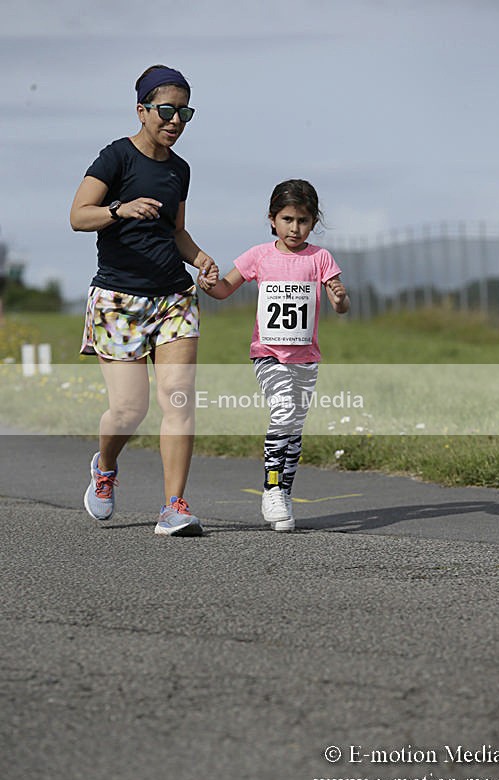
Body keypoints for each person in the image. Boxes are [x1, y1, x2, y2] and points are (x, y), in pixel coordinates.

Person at [70, 64, 218, 536]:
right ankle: (106, 466)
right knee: (129, 410)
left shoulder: (180, 170)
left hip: (173, 296)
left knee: (178, 398)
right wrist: (119, 209)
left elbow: (175, 233)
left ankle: (174, 506)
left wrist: (201, 260)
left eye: (185, 113)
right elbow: (78, 216)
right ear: (143, 110)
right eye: (167, 111)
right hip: (118, 299)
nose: (175, 121)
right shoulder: (116, 158)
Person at [203, 179, 350, 530]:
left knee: (294, 426)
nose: (294, 228)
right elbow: (225, 289)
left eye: (302, 221)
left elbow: (340, 305)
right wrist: (208, 284)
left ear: (313, 222)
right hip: (268, 353)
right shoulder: (259, 256)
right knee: (283, 410)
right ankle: (270, 486)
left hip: (305, 356)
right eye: (287, 219)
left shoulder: (320, 258)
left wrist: (340, 297)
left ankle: (284, 492)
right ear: (272, 219)